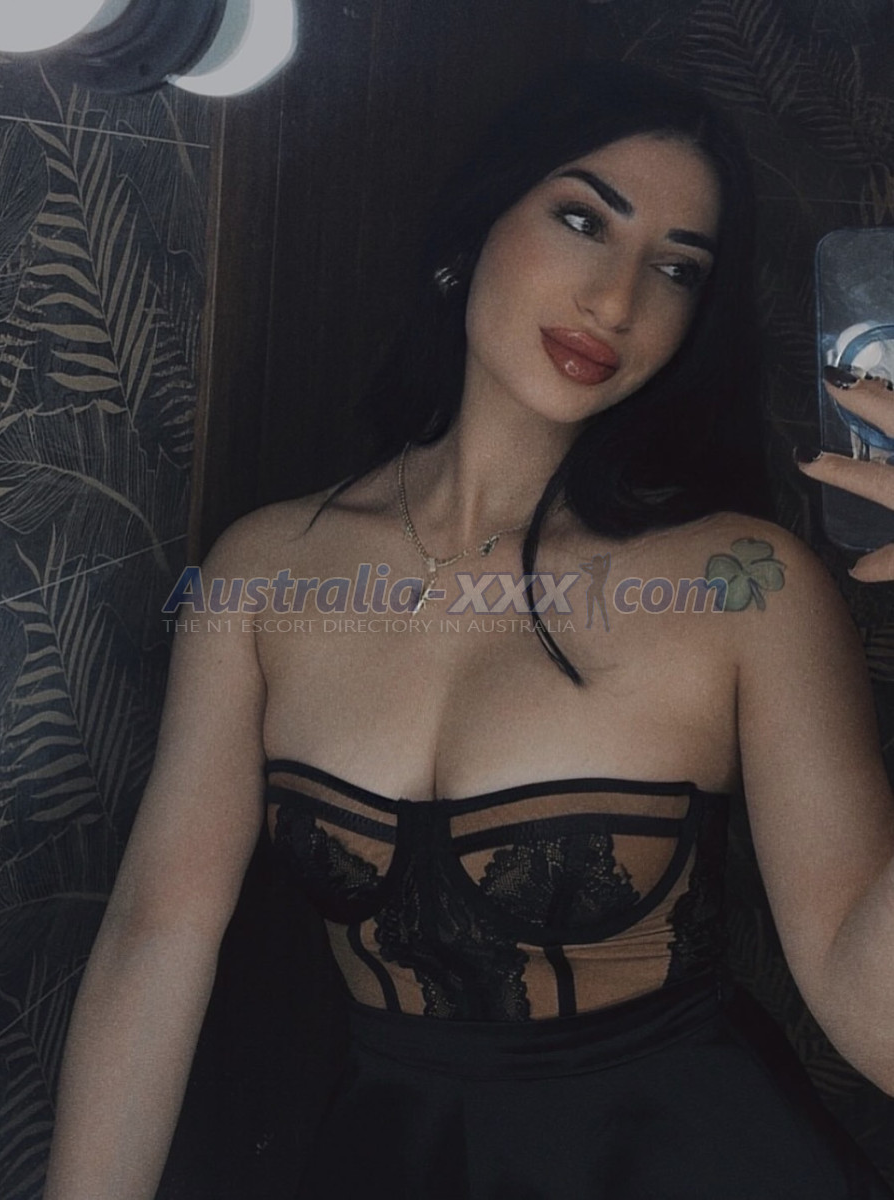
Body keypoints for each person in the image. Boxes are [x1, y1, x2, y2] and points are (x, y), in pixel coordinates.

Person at [44, 60, 894, 1199]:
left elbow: (869, 1008)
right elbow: (157, 933)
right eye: (583, 219)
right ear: (472, 229)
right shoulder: (262, 569)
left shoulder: (745, 585)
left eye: (676, 267)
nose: (616, 301)